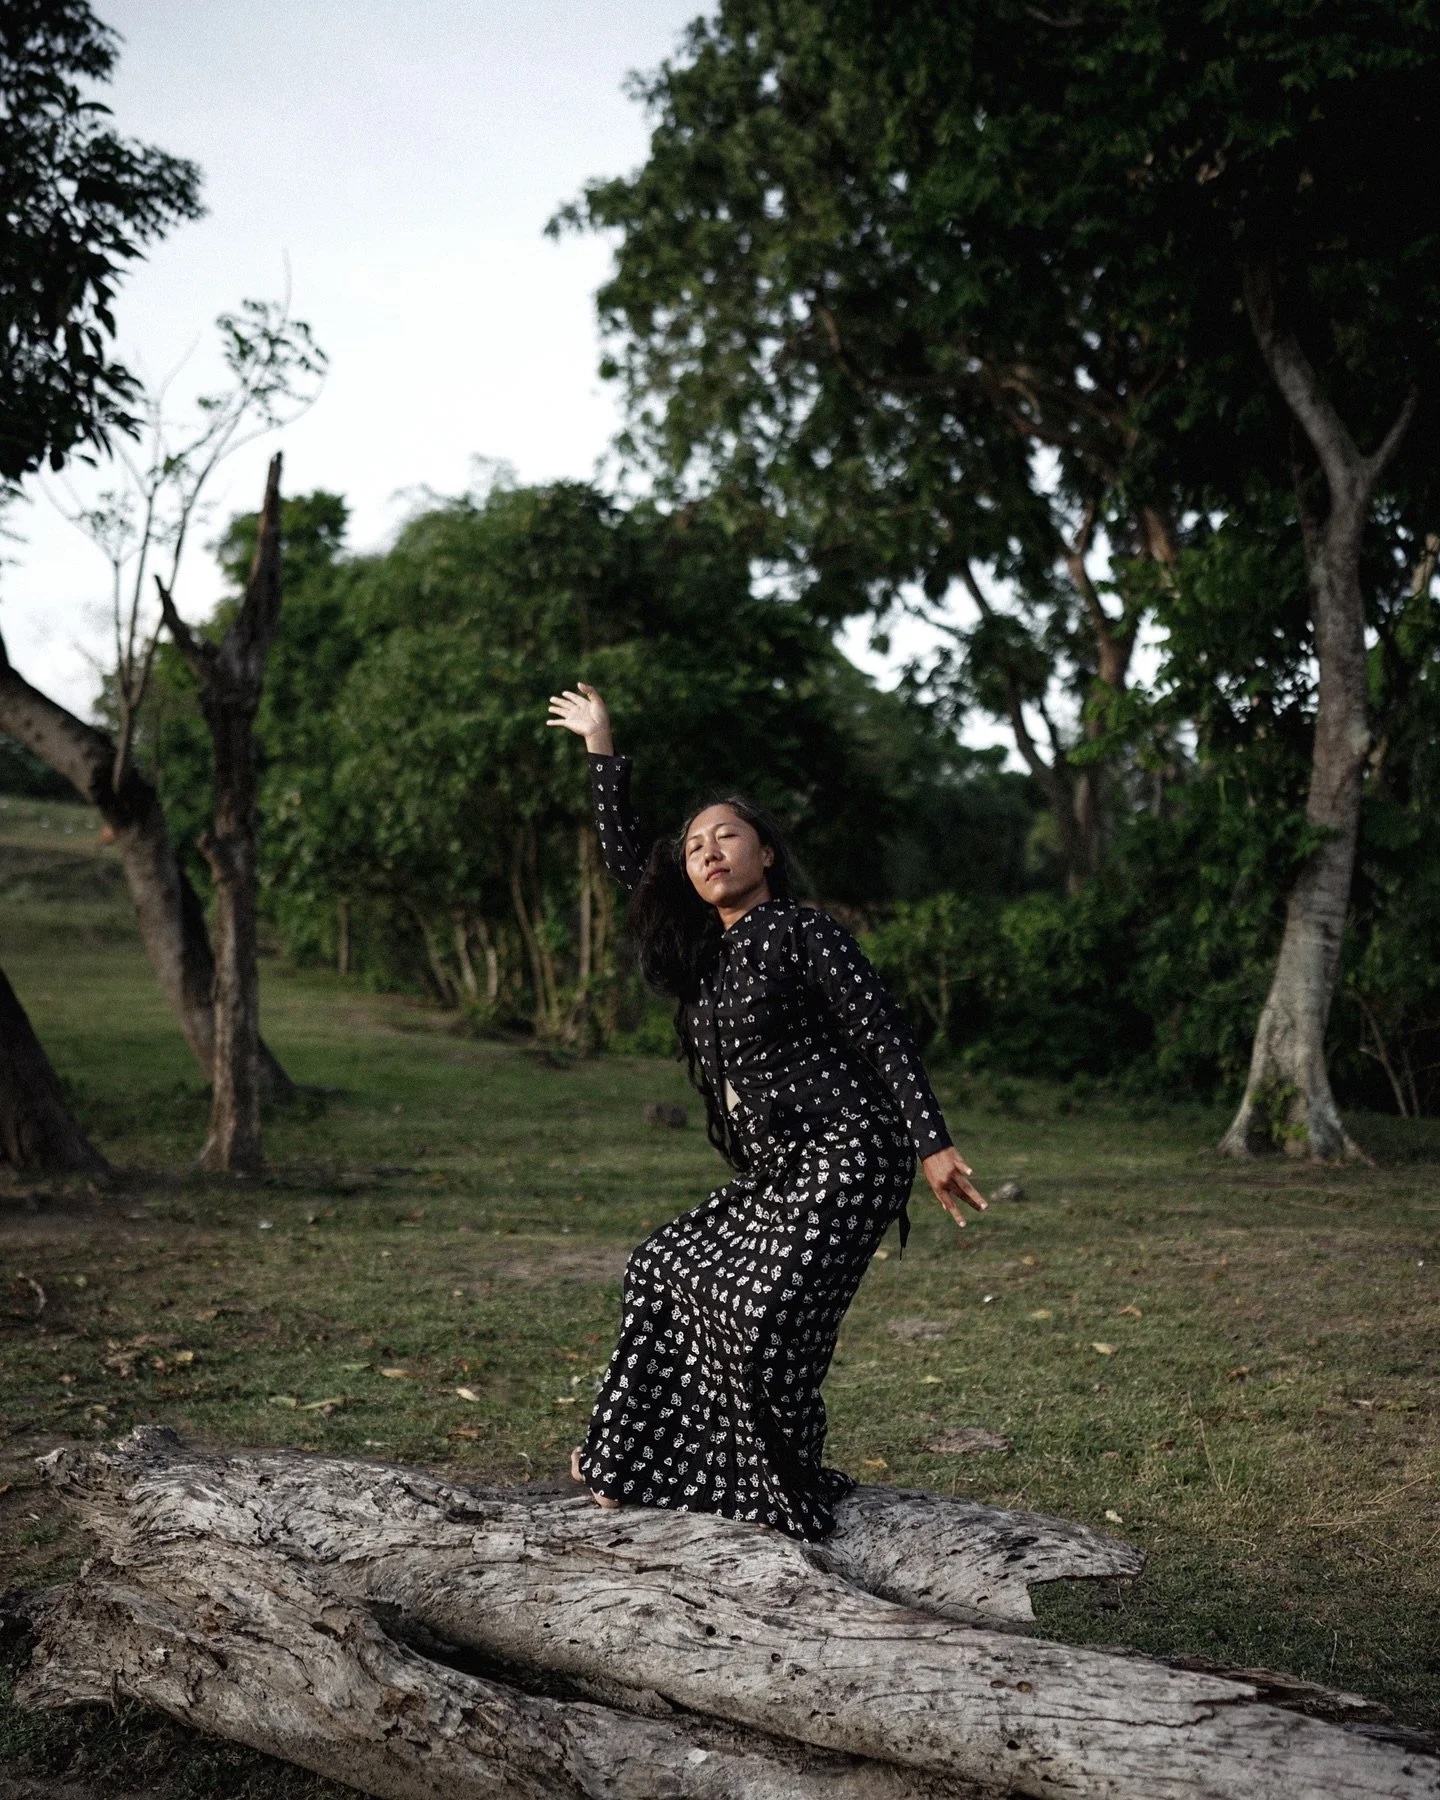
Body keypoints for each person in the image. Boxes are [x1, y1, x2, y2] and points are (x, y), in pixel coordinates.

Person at [546, 682, 985, 1539]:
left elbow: (883, 1031)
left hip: (851, 1154)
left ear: (766, 853)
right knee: (665, 1266)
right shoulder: (713, 958)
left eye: (728, 837)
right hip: (781, 1173)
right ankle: (638, 1464)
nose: (709, 852)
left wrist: (932, 1145)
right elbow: (628, 858)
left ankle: (773, 1492)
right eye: (696, 846)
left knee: (764, 1320)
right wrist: (603, 749)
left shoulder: (803, 933)